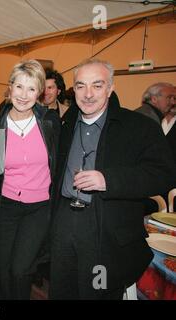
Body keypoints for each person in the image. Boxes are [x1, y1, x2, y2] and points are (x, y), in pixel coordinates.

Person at [49, 58, 175, 300]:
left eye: (97, 85)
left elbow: (164, 174)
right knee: (62, 290)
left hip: (106, 228)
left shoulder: (137, 127)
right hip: (63, 222)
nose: (87, 94)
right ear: (73, 89)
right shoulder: (63, 125)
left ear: (110, 88)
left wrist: (108, 180)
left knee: (98, 291)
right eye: (81, 86)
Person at [0, 60, 60, 299]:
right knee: (3, 271)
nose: (24, 95)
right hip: (5, 208)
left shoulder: (50, 122)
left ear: (40, 92)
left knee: (21, 270)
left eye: (31, 88)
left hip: (38, 209)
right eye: (19, 87)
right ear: (9, 88)